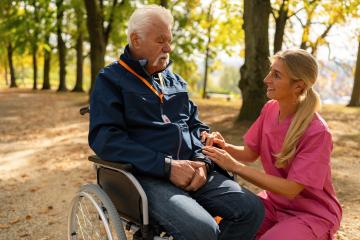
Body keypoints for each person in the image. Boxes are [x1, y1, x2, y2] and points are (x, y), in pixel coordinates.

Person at [88, 5, 264, 240]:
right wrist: (167, 167)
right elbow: (106, 140)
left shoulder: (175, 81)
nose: (168, 48)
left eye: (169, 40)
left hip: (195, 170)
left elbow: (196, 126)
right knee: (203, 231)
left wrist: (203, 162)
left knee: (251, 210)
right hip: (147, 176)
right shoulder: (110, 80)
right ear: (135, 40)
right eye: (160, 41)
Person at [202, 49, 342, 240]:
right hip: (274, 204)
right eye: (270, 72)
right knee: (227, 224)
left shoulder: (318, 132)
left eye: (276, 75)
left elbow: (291, 189)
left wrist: (235, 166)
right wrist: (224, 147)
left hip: (312, 213)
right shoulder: (270, 109)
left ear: (298, 87)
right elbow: (251, 153)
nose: (267, 79)